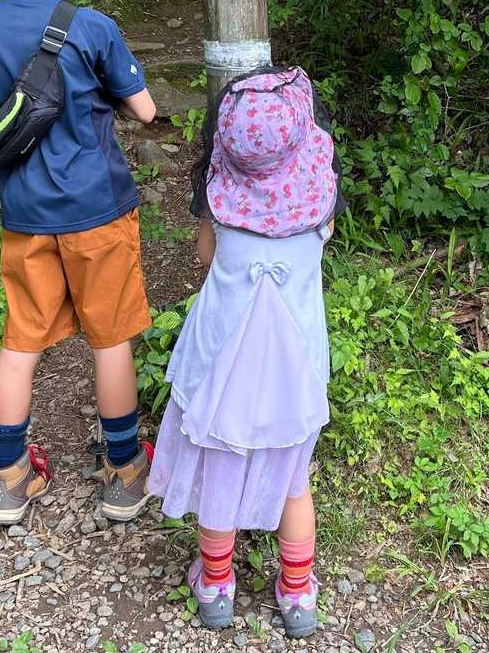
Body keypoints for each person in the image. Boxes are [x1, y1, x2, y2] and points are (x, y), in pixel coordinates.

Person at [0, 0, 157, 526]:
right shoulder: (92, 27)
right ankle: (123, 470)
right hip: (97, 206)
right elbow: (145, 109)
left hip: (25, 210)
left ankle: (9, 478)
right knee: (111, 338)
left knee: (20, 340)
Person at [146, 65, 344, 639]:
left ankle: (215, 587)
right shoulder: (318, 208)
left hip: (221, 372)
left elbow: (206, 257)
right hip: (293, 374)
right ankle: (297, 594)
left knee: (220, 479)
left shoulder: (221, 210)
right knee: (294, 483)